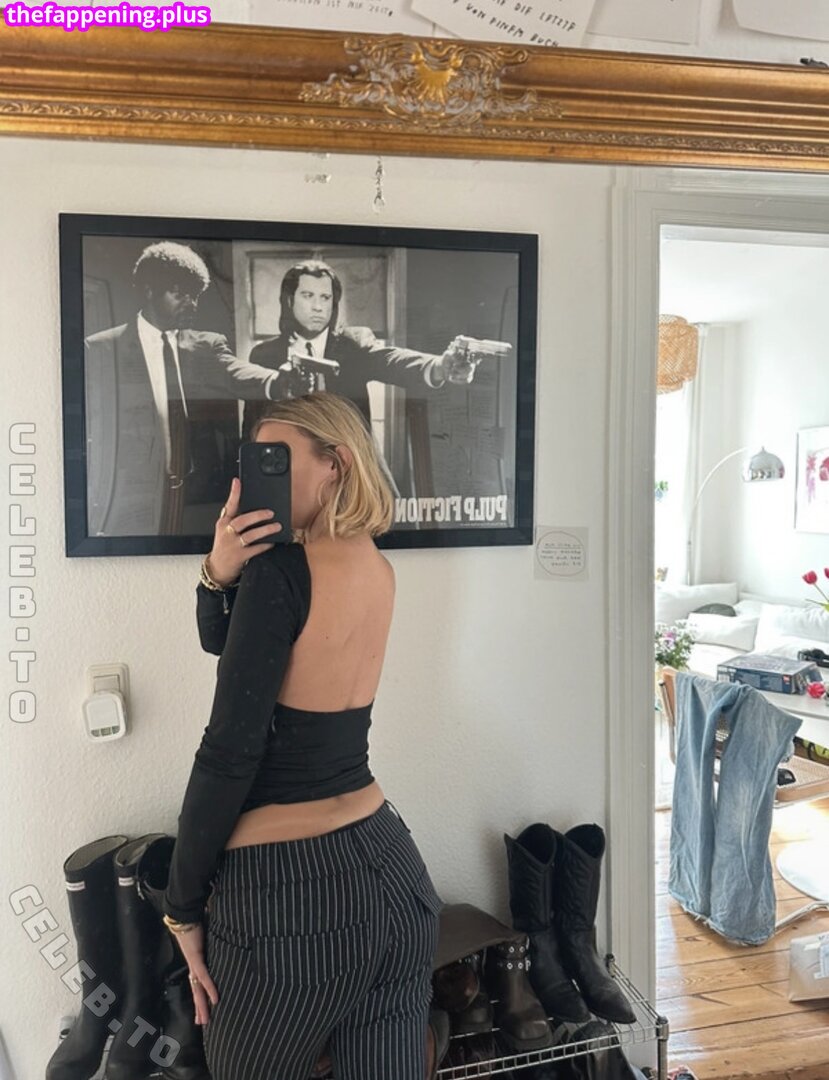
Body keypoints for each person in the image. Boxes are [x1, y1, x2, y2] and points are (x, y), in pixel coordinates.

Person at [161, 391, 443, 1080]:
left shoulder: (283, 573)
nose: (258, 475)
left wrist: (181, 910)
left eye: (278, 459)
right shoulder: (376, 568)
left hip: (294, 901)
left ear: (335, 464)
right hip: (393, 870)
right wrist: (218, 572)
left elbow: (228, 755)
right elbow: (231, 646)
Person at [84, 241, 283, 537]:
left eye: (195, 295)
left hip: (198, 493)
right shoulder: (102, 348)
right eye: (179, 294)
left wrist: (277, 380)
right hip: (134, 493)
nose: (191, 304)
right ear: (149, 290)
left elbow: (234, 370)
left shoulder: (206, 344)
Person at [241, 258, 484, 441]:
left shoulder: (354, 343)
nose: (318, 307)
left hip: (348, 468)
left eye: (325, 298)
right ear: (289, 300)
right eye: (308, 295)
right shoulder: (263, 355)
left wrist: (440, 366)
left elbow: (392, 360)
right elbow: (251, 427)